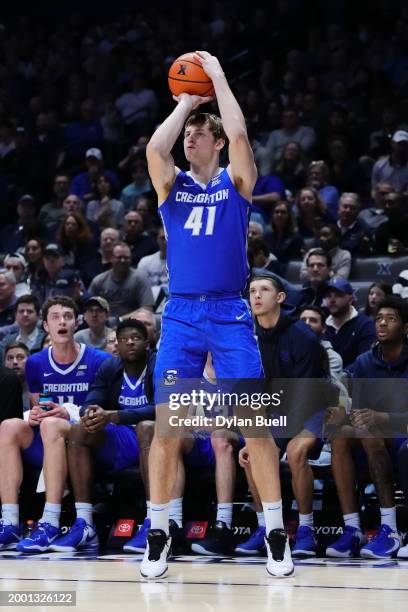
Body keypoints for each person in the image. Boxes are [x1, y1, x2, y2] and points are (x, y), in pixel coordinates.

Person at [141, 50, 293, 579]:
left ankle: (276, 530)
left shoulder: (235, 182)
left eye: (201, 133)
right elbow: (155, 146)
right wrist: (185, 103)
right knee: (166, 426)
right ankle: (158, 530)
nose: (190, 139)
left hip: (230, 311)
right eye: (190, 133)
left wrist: (220, 82)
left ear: (218, 142)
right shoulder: (171, 186)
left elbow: (244, 137)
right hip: (181, 315)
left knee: (254, 427)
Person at [0, 296, 109, 552]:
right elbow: (41, 406)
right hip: (51, 438)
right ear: (46, 326)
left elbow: (100, 410)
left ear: (77, 322)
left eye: (68, 316)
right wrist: (35, 415)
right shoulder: (36, 363)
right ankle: (10, 522)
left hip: (87, 437)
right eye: (55, 317)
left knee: (51, 425)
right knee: (8, 426)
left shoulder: (99, 360)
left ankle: (49, 522)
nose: (62, 321)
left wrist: (66, 414)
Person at [236, 273, 326, 558]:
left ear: (281, 298)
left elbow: (307, 394)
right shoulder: (246, 337)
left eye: (264, 290)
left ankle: (306, 530)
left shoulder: (302, 336)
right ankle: (266, 528)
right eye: (252, 291)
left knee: (296, 450)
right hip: (274, 411)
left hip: (314, 407)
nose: (257, 296)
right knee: (251, 454)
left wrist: (276, 438)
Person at [48, 319, 155, 552]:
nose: (130, 343)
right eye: (124, 339)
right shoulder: (109, 367)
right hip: (123, 439)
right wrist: (91, 413)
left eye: (136, 338)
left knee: (147, 425)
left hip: (154, 438)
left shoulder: (159, 366)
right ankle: (85, 523)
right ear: (117, 344)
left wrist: (115, 416)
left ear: (147, 343)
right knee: (79, 430)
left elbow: (161, 408)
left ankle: (153, 522)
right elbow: (91, 400)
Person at [325, 296, 408, 559]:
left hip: (402, 436)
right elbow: (354, 406)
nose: (382, 323)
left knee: (372, 433)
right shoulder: (363, 362)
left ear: (406, 328)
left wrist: (382, 418)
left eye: (391, 319)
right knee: (341, 435)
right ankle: (353, 529)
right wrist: (343, 413)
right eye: (379, 319)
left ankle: (392, 530)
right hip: (374, 440)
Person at [89, 242, 154, 317]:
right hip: (104, 324)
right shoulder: (99, 281)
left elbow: (147, 309)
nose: (122, 260)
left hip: (133, 323)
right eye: (119, 257)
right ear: (111, 258)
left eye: (126, 257)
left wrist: (120, 320)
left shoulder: (140, 279)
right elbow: (89, 308)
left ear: (131, 259)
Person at [323, 279, 377, 368]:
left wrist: (342, 375)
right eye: (329, 296)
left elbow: (366, 360)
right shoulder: (322, 325)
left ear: (350, 299)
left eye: (338, 295)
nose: (332, 300)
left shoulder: (365, 324)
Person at [0, 295, 45, 362]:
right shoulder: (6, 341)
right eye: (21, 311)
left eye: (29, 311)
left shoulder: (46, 340)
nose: (25, 314)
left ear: (38, 316)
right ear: (15, 315)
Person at [4, 342, 30, 412]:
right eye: (10, 358)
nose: (15, 362)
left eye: (20, 357)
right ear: (4, 364)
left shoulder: (38, 391)